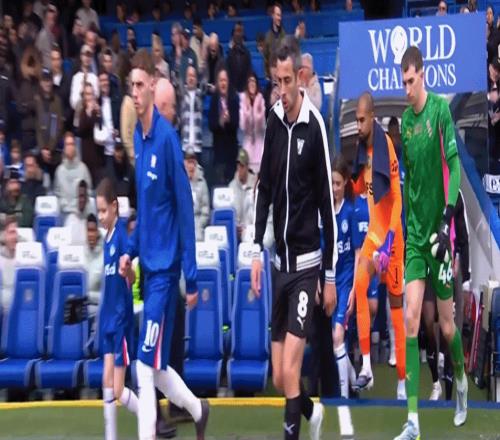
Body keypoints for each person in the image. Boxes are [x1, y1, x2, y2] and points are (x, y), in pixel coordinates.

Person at [118, 49, 209, 440]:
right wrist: (129, 250)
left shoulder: (168, 140)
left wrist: (192, 274)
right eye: (131, 86)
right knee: (153, 367)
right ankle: (198, 409)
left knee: (142, 364)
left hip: (166, 274)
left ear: (153, 86)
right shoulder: (138, 140)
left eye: (141, 85)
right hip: (147, 268)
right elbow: (146, 210)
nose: (135, 92)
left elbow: (185, 208)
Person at [250, 37, 336, 440]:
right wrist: (255, 251)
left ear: (300, 78)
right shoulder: (272, 122)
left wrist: (329, 276)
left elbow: (327, 206)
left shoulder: (315, 126)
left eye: (287, 81)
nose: (282, 90)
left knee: (290, 369)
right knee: (279, 374)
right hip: (278, 266)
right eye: (276, 82)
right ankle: (312, 413)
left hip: (306, 267)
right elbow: (264, 189)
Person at [394, 46, 468, 440]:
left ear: (422, 75)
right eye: (403, 82)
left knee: (447, 326)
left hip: (440, 236)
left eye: (411, 81)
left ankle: (461, 378)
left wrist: (447, 219)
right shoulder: (405, 122)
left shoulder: (439, 111)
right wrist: (407, 230)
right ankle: (413, 421)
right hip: (416, 241)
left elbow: (453, 166)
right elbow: (411, 182)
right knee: (410, 319)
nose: (407, 89)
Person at [350, 92, 406, 401]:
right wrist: (350, 175)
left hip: (391, 240)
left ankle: (402, 379)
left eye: (361, 120)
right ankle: (367, 367)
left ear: (372, 117)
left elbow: (397, 200)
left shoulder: (386, 148)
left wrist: (390, 243)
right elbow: (360, 188)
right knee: (360, 283)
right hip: (374, 234)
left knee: (396, 310)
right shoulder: (362, 149)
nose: (358, 125)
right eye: (356, 120)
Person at [95, 178, 138, 439]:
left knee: (120, 390)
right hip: (108, 319)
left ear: (114, 207)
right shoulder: (106, 240)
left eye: (103, 210)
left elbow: (131, 277)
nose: (100, 216)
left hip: (121, 319)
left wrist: (128, 272)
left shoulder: (122, 238)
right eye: (98, 211)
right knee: (106, 383)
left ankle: (149, 417)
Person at [330, 155, 358, 399]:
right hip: (331, 282)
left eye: (338, 183)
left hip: (346, 282)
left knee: (338, 336)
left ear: (346, 182)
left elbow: (358, 254)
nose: (334, 188)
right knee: (335, 341)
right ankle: (354, 381)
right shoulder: (326, 212)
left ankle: (344, 397)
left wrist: (354, 290)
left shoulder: (351, 211)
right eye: (331, 183)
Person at [209, 65, 239, 185]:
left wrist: (229, 120)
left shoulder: (233, 99)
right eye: (221, 80)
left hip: (231, 153)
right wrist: (220, 122)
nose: (223, 83)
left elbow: (236, 124)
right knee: (219, 188)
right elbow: (211, 125)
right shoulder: (214, 100)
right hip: (219, 152)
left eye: (225, 80)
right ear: (217, 82)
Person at [54, 131, 92, 219]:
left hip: (81, 214)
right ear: (64, 148)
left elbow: (89, 192)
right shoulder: (59, 171)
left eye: (72, 144)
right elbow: (57, 195)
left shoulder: (83, 168)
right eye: (67, 144)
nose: (70, 147)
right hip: (64, 214)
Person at [239, 72, 266, 173]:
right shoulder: (243, 100)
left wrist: (257, 114)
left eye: (253, 81)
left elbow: (263, 126)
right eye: (249, 81)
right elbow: (242, 126)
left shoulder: (261, 99)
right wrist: (248, 112)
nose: (252, 83)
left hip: (259, 145)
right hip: (248, 145)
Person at [229, 148, 256, 239]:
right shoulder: (231, 186)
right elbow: (229, 212)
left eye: (242, 166)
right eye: (238, 165)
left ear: (247, 167)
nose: (240, 169)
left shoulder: (255, 184)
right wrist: (235, 226)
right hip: (235, 232)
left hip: (252, 231)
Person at [36, 67, 64, 152]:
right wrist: (42, 147)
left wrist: (49, 148)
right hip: (40, 148)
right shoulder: (37, 100)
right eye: (45, 81)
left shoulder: (57, 101)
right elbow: (37, 126)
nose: (47, 84)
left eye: (49, 81)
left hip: (53, 148)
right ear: (41, 83)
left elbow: (57, 126)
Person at [185, 149, 209, 241]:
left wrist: (200, 224)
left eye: (192, 162)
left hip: (197, 221)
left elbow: (205, 211)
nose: (190, 165)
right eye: (188, 162)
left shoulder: (202, 183)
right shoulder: (179, 181)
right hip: (183, 221)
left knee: (197, 236)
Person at [180, 66, 203, 157]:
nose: (191, 78)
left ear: (196, 79)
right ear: (186, 78)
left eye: (193, 76)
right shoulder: (181, 94)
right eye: (189, 76)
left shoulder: (200, 95)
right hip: (185, 144)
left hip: (197, 145)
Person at [65, 179, 94, 245]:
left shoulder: (93, 221)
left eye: (84, 196)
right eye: (80, 196)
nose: (82, 200)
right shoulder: (69, 221)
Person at [226, 22, 252, 93]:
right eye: (237, 31)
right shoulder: (229, 53)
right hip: (232, 91)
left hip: (244, 90)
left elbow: (248, 73)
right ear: (233, 34)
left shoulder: (247, 53)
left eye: (240, 31)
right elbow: (228, 73)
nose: (238, 34)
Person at [0, 216, 17, 314]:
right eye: (11, 232)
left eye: (16, 233)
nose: (14, 237)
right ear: (4, 235)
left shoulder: (27, 260)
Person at [263, 3, 285, 78]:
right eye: (278, 15)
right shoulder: (267, 36)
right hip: (272, 74)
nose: (279, 18)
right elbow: (265, 57)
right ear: (272, 15)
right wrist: (267, 74)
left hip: (283, 72)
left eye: (280, 15)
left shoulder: (284, 35)